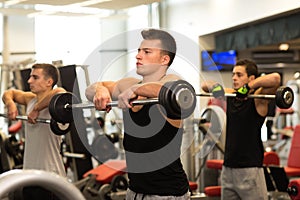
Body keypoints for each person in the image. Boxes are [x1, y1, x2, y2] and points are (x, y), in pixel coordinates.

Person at [85, 28, 190, 199]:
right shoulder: (128, 84)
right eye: (139, 51)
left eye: (146, 52)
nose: (138, 56)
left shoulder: (173, 83)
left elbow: (169, 91)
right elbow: (90, 90)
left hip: (166, 194)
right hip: (134, 191)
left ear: (164, 59)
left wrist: (136, 89)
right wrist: (100, 90)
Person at [201, 59, 281, 200]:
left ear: (251, 78)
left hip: (250, 170)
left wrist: (249, 87)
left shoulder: (258, 98)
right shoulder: (231, 94)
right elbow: (206, 86)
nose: (234, 78)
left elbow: (275, 78)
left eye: (239, 74)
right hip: (228, 169)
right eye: (233, 74)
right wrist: (233, 90)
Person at [2, 63, 66, 200]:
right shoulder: (30, 99)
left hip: (51, 178)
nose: (29, 81)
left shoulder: (57, 103)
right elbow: (9, 93)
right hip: (30, 176)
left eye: (35, 77)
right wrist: (10, 104)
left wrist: (36, 110)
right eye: (30, 76)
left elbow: (60, 92)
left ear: (49, 82)